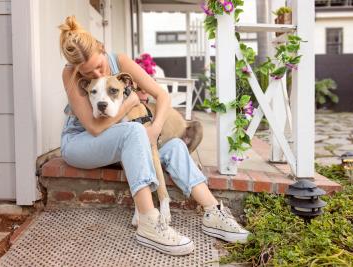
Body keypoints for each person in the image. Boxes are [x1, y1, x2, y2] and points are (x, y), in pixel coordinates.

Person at [59, 16, 249, 256]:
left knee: (175, 145)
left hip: (116, 140)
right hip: (81, 142)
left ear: (102, 49)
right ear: (78, 71)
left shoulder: (119, 61)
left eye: (100, 66)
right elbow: (95, 128)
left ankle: (212, 211)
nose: (98, 73)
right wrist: (129, 104)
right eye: (89, 73)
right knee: (134, 130)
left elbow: (162, 95)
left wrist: (156, 127)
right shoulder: (70, 74)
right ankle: (149, 222)